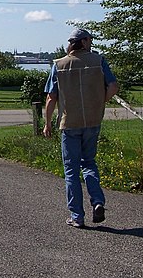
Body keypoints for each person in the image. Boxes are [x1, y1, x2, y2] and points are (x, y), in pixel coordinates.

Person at [43, 29, 118, 228]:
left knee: (71, 170)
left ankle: (77, 216)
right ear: (83, 42)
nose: (91, 42)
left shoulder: (59, 65)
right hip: (92, 121)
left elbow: (51, 97)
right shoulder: (98, 61)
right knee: (89, 163)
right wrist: (99, 103)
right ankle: (98, 201)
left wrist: (47, 123)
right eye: (89, 40)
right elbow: (113, 86)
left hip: (69, 122)